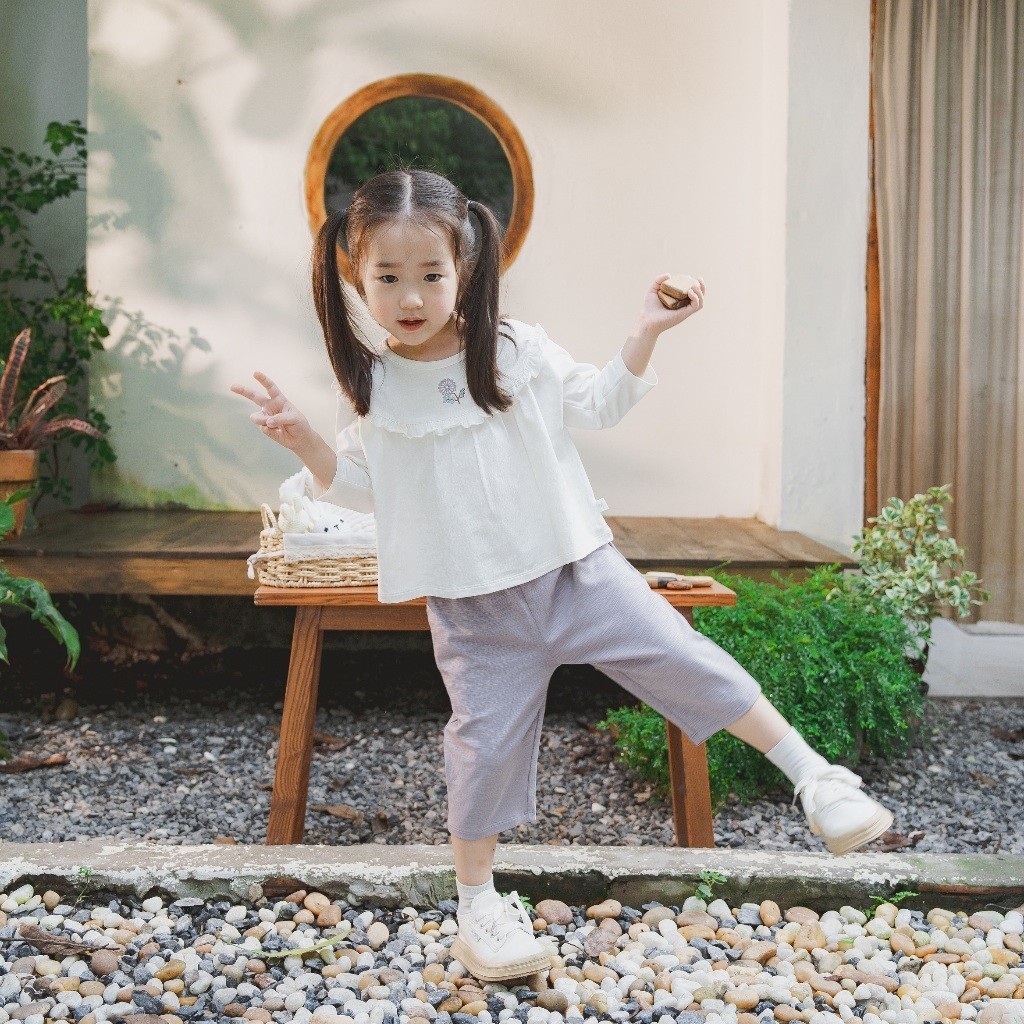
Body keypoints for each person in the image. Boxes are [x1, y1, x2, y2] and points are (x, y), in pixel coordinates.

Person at [231, 168, 895, 983]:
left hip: (577, 572)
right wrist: (302, 438)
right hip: (475, 611)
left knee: (684, 658)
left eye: (431, 274)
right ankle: (479, 907)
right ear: (356, 277)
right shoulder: (372, 383)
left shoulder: (515, 352)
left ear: (464, 267)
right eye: (388, 277)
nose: (410, 296)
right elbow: (369, 489)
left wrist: (646, 330)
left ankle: (815, 778)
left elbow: (603, 402)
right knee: (481, 749)